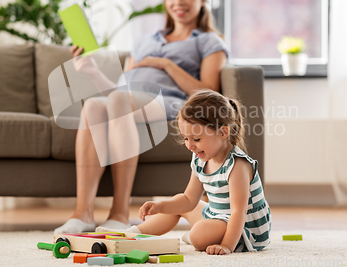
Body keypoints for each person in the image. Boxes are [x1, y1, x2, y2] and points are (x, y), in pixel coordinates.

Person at [54, 0, 229, 234]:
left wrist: (165, 64)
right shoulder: (145, 41)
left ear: (201, 0)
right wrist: (91, 71)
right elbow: (118, 90)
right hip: (127, 99)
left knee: (118, 103)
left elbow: (209, 92)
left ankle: (120, 213)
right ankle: (83, 212)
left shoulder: (208, 41)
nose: (178, 1)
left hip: (170, 101)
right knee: (93, 105)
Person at [97, 89, 271, 255]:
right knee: (177, 204)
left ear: (223, 132)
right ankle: (131, 234)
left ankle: (199, 237)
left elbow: (238, 213)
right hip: (218, 216)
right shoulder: (200, 158)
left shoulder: (237, 165)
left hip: (245, 229)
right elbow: (189, 199)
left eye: (196, 139)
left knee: (198, 235)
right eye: (186, 138)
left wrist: (226, 245)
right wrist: (161, 206)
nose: (190, 145)